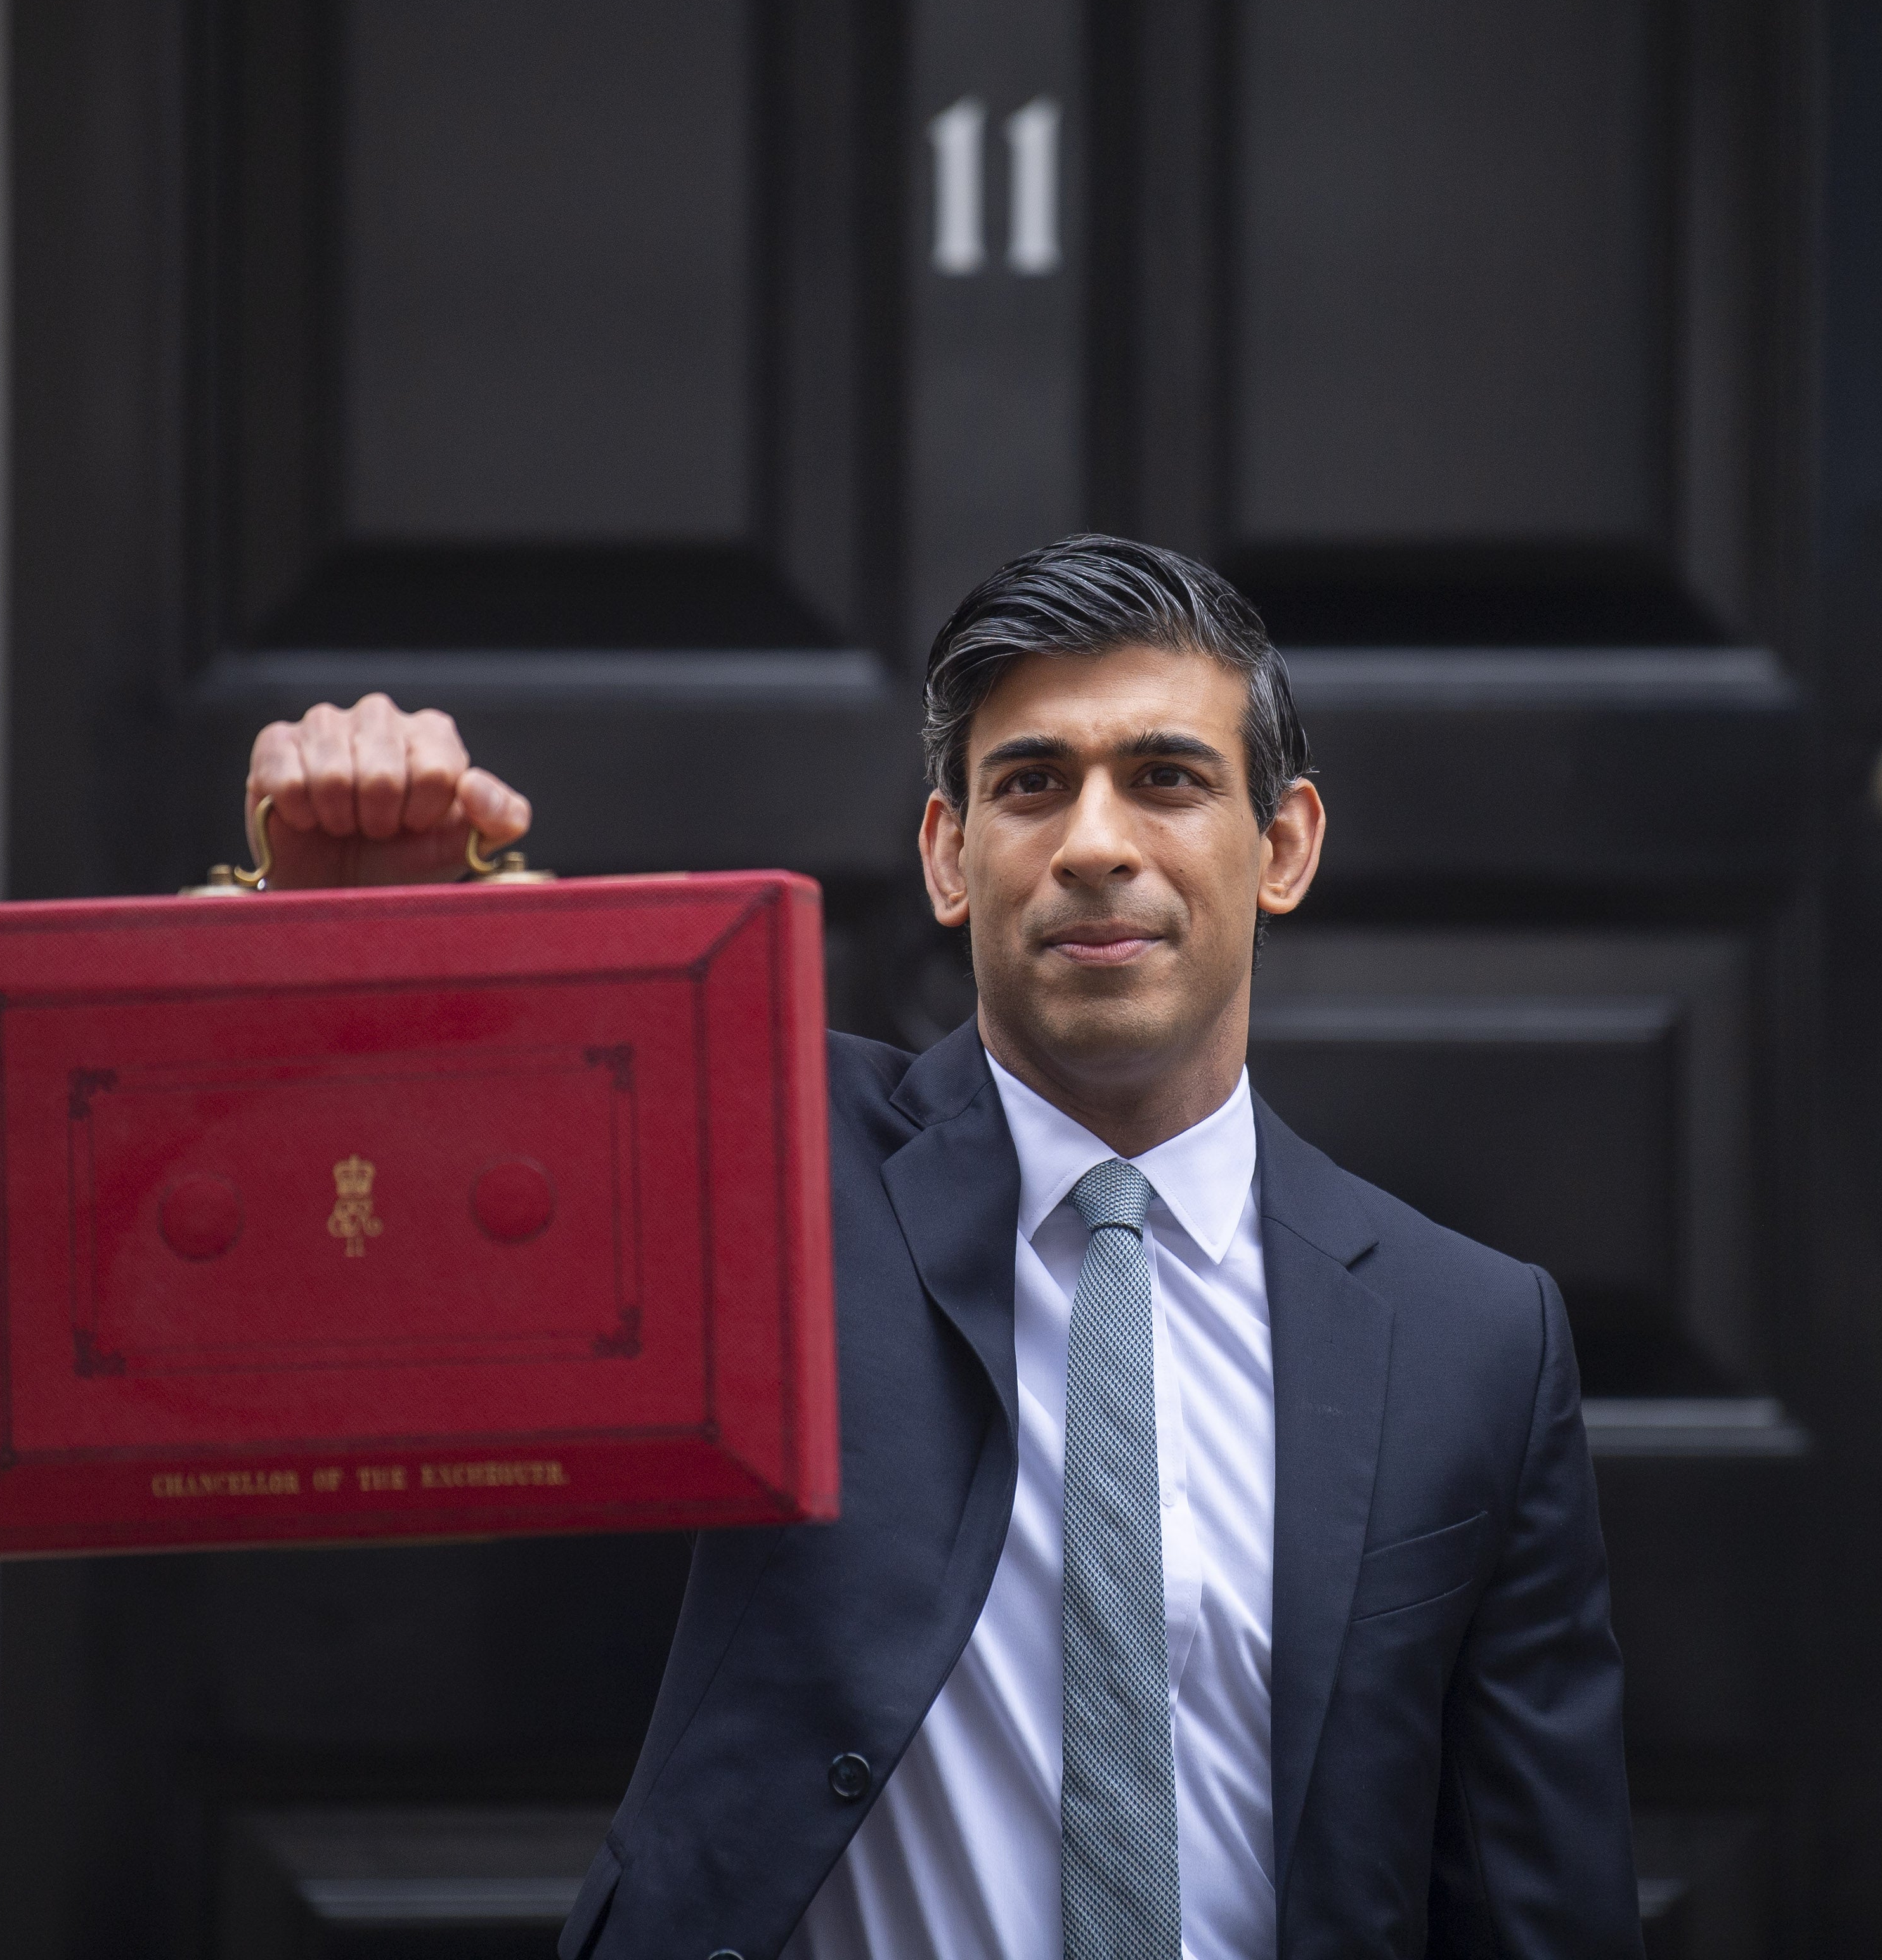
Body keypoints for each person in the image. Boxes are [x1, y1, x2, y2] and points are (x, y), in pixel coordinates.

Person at [243, 535, 1640, 1960]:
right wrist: (357, 946)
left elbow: (1542, 1909)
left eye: (1166, 778)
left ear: (1282, 846)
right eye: (1032, 784)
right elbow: (361, 1248)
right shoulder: (762, 1149)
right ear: (947, 856)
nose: (1096, 843)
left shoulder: (1475, 1342)